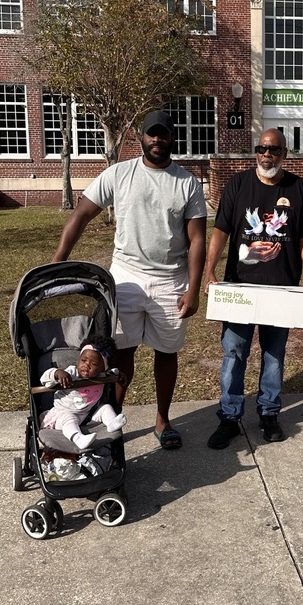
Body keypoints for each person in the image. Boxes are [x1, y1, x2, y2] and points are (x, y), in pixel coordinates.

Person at [51, 110, 207, 450]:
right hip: (125, 278)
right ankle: (114, 416)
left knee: (167, 352)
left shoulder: (187, 183)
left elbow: (197, 239)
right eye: (151, 133)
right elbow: (82, 214)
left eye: (163, 133)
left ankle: (163, 420)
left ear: (172, 137)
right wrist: (57, 261)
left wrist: (193, 289)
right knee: (121, 351)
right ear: (141, 136)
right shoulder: (119, 174)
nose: (157, 139)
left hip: (171, 281)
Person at [203, 129, 303, 448]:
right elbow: (221, 231)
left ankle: (269, 413)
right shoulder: (238, 185)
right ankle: (229, 417)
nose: (267, 155)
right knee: (234, 352)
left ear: (285, 154)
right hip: (240, 287)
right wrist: (209, 270)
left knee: (274, 355)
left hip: (281, 289)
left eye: (274, 150)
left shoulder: (298, 189)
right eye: (262, 148)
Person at [39, 339, 127, 450]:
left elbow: (113, 372)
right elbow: (44, 378)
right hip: (62, 415)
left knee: (105, 407)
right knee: (69, 418)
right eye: (83, 360)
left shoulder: (102, 376)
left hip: (87, 415)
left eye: (93, 364)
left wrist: (120, 375)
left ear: (102, 368)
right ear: (78, 359)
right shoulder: (72, 373)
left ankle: (111, 423)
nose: (86, 365)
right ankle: (78, 439)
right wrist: (57, 373)